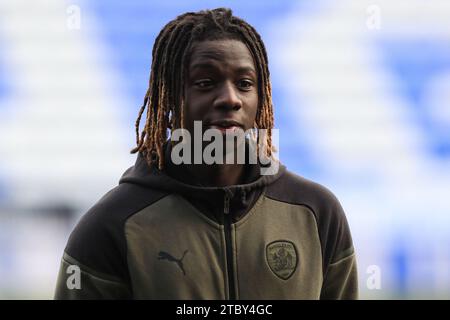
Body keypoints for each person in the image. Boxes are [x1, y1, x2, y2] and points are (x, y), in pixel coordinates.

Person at [54, 7, 358, 299]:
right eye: (205, 83)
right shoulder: (112, 225)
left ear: (260, 97)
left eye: (244, 84)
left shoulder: (316, 213)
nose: (230, 99)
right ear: (171, 96)